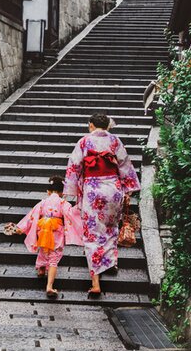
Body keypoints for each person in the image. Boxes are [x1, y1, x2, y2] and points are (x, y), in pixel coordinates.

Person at [64, 112, 140, 299]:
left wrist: (71, 189)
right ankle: (111, 262)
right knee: (111, 227)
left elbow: (74, 167)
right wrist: (128, 189)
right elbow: (125, 165)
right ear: (107, 126)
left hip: (93, 190)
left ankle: (95, 283)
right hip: (113, 188)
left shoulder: (84, 142)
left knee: (92, 233)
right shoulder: (115, 141)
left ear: (91, 125)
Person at [15, 175, 84, 299]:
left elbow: (32, 216)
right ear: (62, 192)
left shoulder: (43, 202)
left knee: (43, 248)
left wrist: (21, 228)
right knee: (53, 258)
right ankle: (49, 286)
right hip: (56, 231)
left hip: (43, 229)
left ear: (48, 191)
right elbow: (71, 214)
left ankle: (41, 269)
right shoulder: (63, 203)